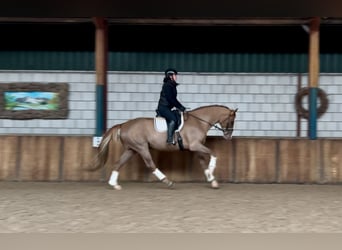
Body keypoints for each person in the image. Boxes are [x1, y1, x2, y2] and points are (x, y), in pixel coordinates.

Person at [156, 68, 186, 144]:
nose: (176, 77)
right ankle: (169, 139)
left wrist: (180, 107)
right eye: (175, 75)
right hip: (163, 108)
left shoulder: (171, 85)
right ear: (170, 76)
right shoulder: (167, 86)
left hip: (168, 108)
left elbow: (173, 99)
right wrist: (180, 107)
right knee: (173, 119)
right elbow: (171, 99)